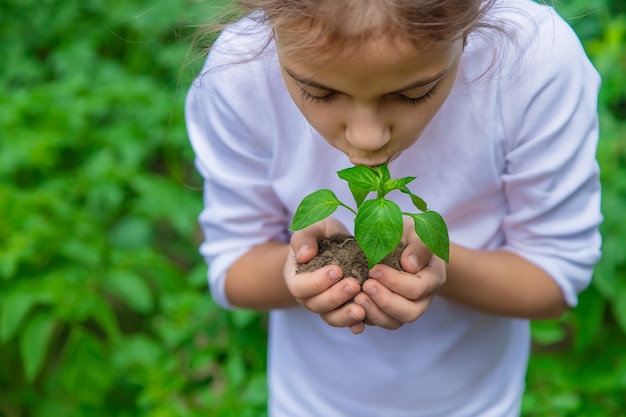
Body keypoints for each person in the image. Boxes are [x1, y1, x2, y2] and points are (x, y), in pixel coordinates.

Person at [185, 0, 602, 415]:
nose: (368, 138)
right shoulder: (240, 72)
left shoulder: (533, 60)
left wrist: (439, 263)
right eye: (319, 91)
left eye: (413, 93)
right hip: (309, 404)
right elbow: (233, 268)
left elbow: (554, 279)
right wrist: (300, 268)